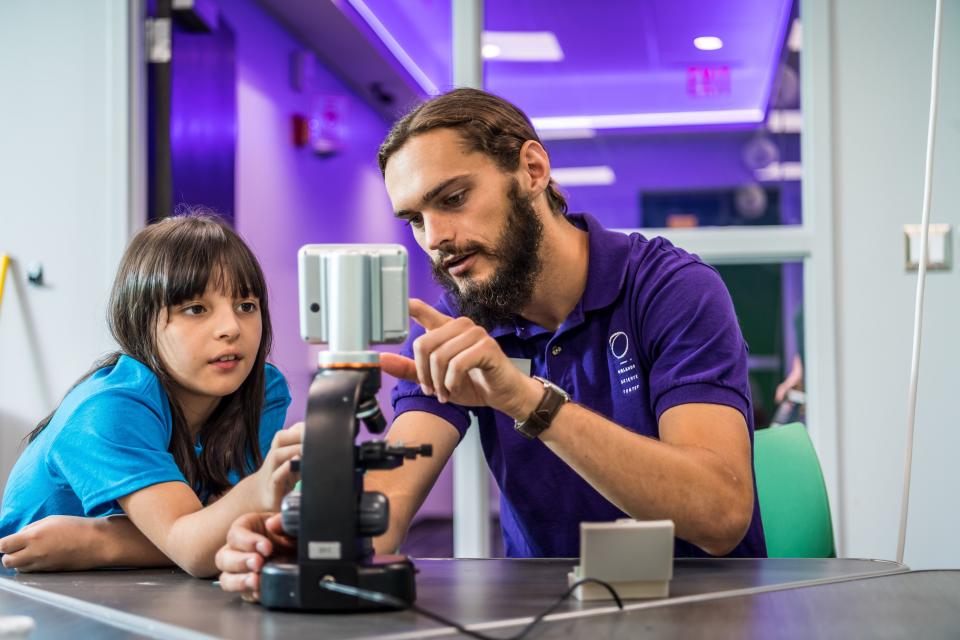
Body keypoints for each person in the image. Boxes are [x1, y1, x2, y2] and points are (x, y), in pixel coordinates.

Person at [215, 88, 766, 599]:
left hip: (701, 605)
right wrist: (309, 547)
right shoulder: (453, 324)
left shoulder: (669, 288)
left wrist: (526, 400)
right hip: (546, 611)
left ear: (532, 168)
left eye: (453, 199)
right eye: (414, 220)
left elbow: (719, 515)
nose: (435, 240)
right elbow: (387, 505)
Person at [0, 213, 299, 577]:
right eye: (195, 309)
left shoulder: (262, 391)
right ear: (141, 321)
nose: (231, 328)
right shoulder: (108, 408)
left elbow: (227, 530)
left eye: (246, 306)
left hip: (150, 588)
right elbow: (199, 543)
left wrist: (100, 542)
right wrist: (262, 489)